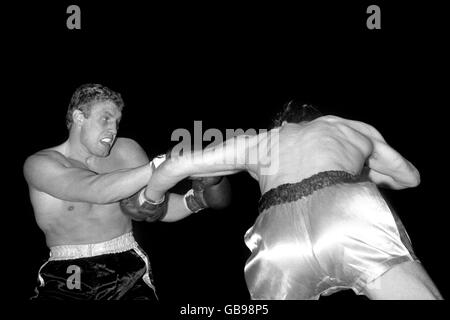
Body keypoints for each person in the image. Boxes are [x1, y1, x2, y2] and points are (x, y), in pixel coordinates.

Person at [141, 100, 443, 300]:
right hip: (347, 213)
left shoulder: (257, 141)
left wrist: (150, 200)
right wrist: (360, 171)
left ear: (280, 124)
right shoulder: (342, 126)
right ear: (317, 116)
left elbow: (176, 166)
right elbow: (409, 177)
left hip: (278, 235)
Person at [23, 83, 231, 300]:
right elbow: (96, 190)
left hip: (126, 269)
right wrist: (164, 165)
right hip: (67, 274)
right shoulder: (41, 164)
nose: (113, 129)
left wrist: (197, 200)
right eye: (106, 118)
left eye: (117, 121)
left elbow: (154, 207)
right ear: (78, 117)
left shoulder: (126, 151)